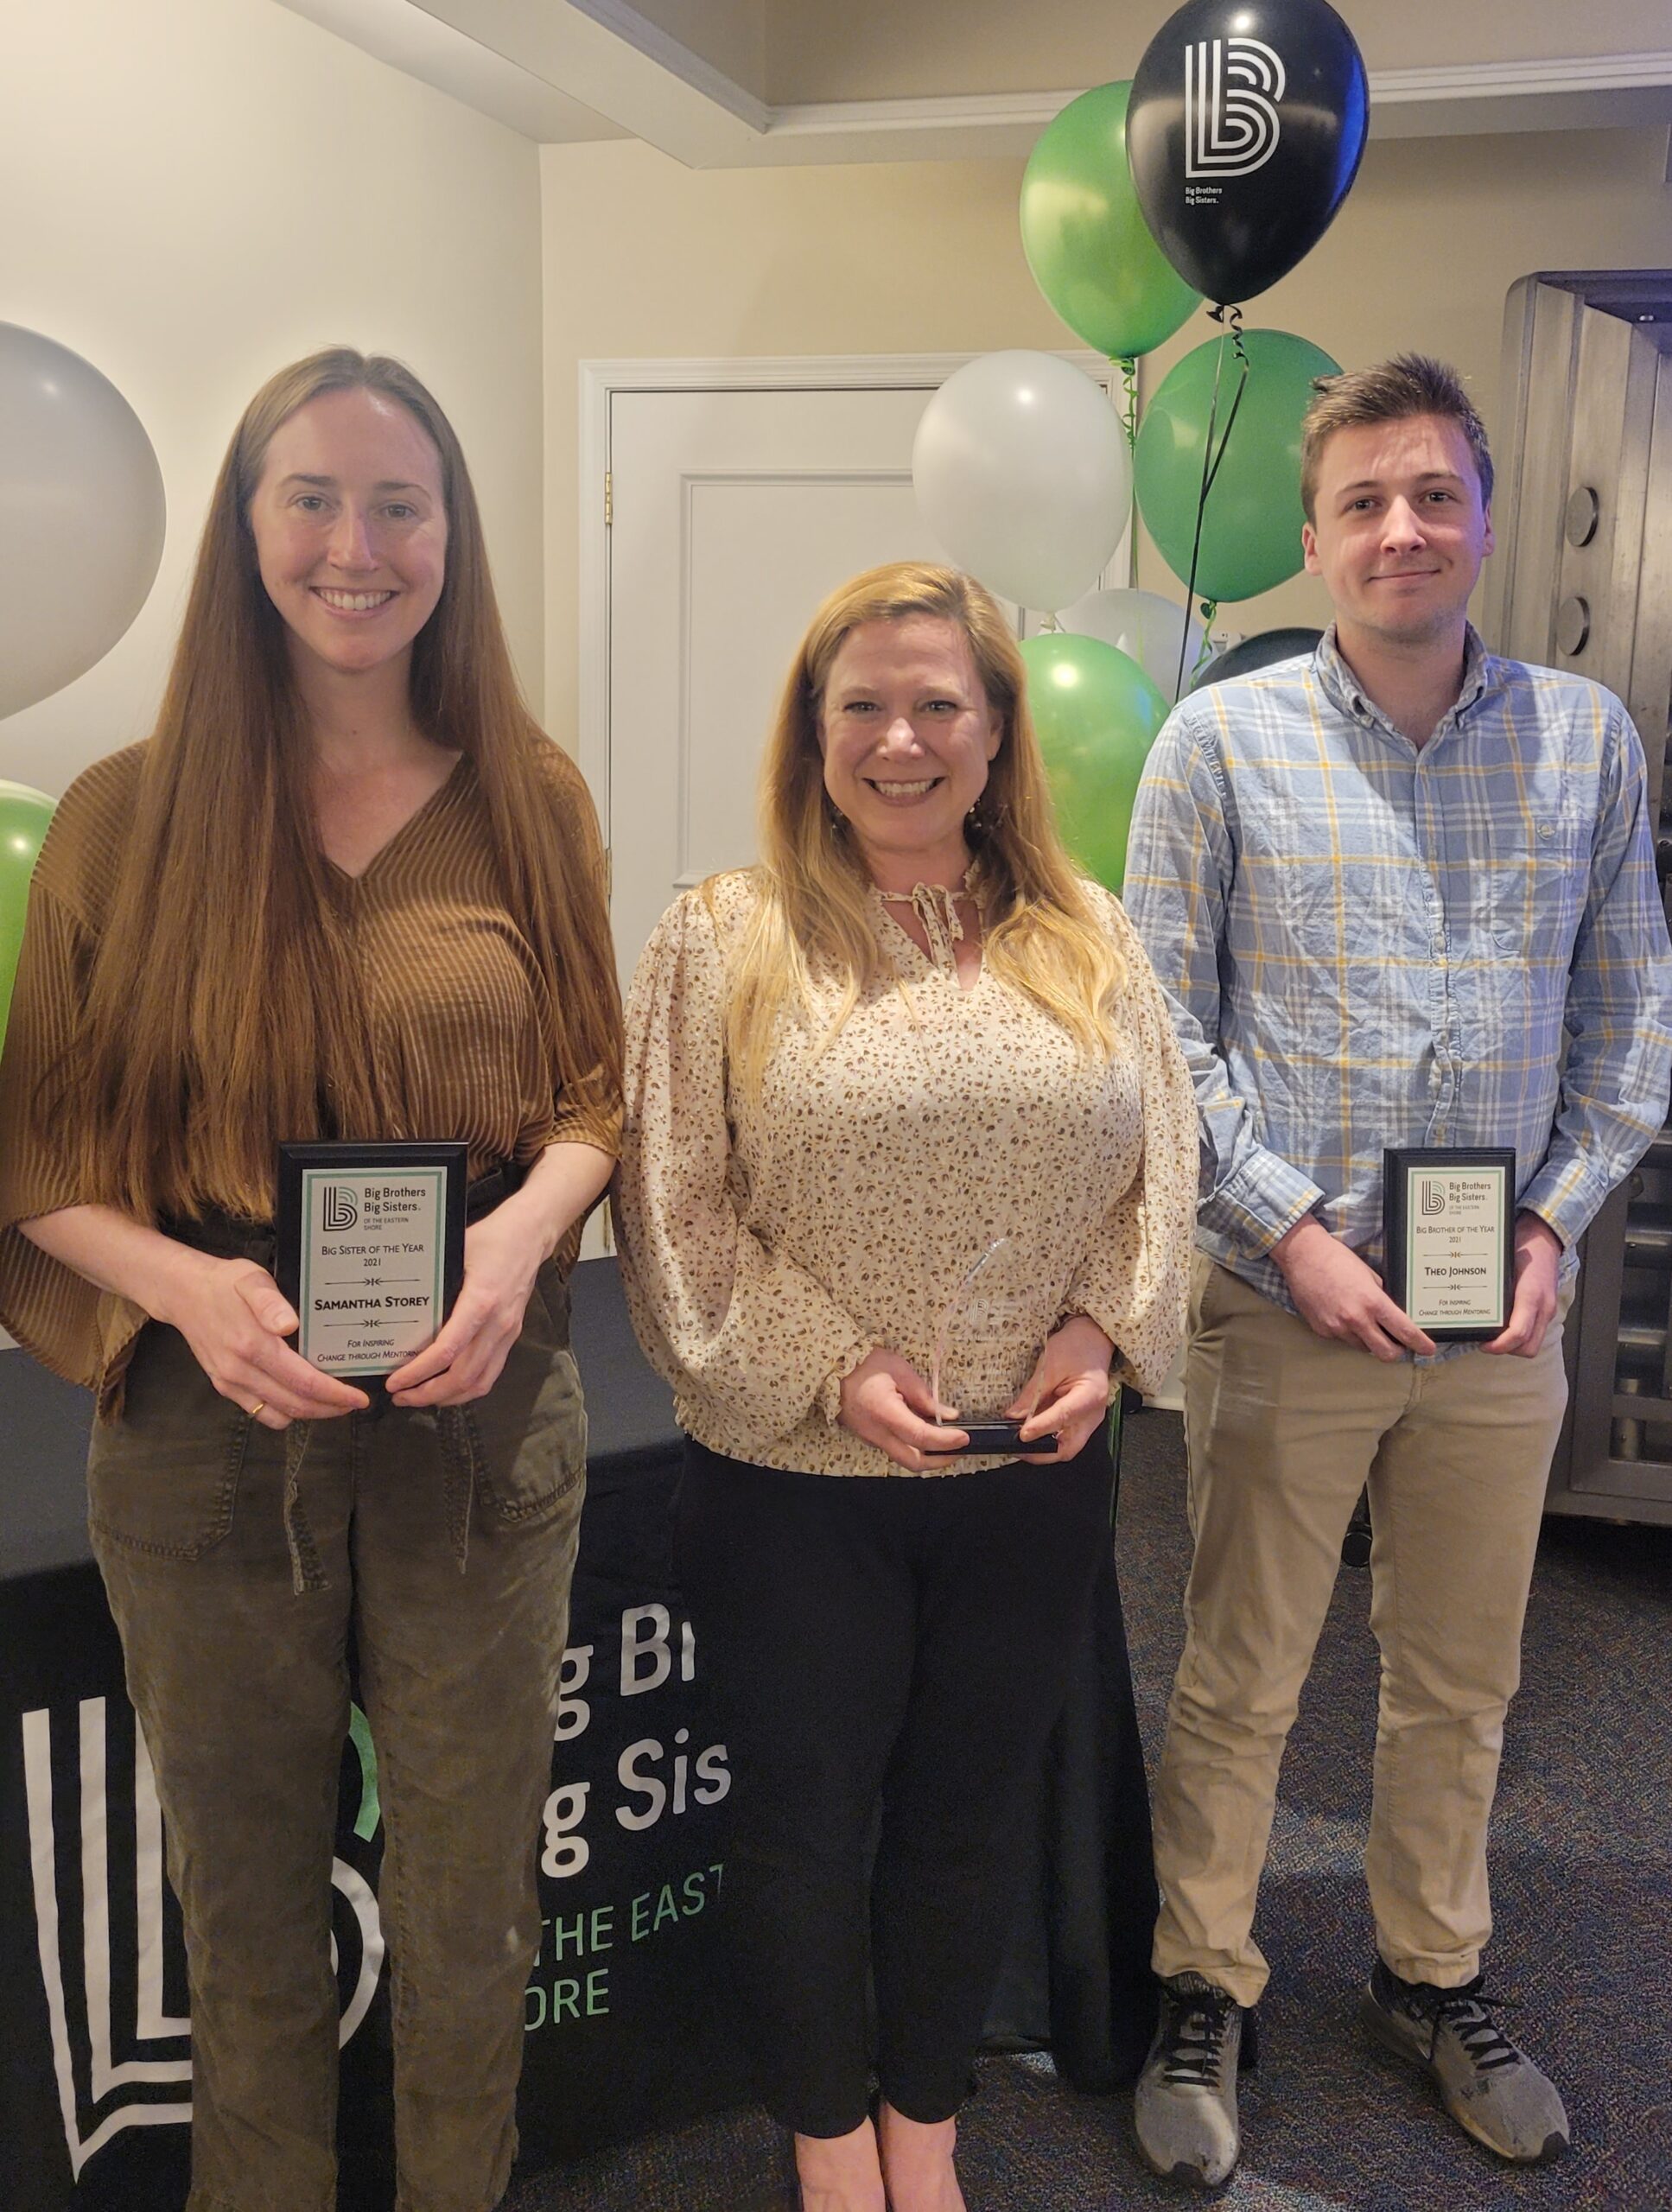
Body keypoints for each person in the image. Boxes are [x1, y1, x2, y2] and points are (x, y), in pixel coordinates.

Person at [0, 348, 622, 2212]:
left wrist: (519, 1239)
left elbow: (595, 1086)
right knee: (247, 1920)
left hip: (478, 1409)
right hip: (207, 1428)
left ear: (452, 536)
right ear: (244, 527)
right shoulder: (124, 817)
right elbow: (33, 1155)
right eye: (314, 497)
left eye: (400, 502)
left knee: (468, 1915)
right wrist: (188, 1293)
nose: (359, 545)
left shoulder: (529, 794)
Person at [1123, 353, 1672, 2187]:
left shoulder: (1581, 737)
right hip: (1288, 1299)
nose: (1398, 529)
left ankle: (1429, 1971)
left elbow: (1631, 1020)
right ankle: (1202, 1972)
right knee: (1242, 1668)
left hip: (1497, 1309)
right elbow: (1157, 1037)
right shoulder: (1216, 742)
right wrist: (1282, 1226)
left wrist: (1551, 1220)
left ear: (1483, 519)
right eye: (1360, 501)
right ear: (1310, 534)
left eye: (1432, 494)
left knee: (1458, 1670)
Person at [613, 560, 1197, 2212]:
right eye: (860, 703)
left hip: (1032, 1473)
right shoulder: (719, 934)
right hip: (797, 1486)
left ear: (1000, 729)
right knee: (802, 1830)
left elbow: (1163, 1165)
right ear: (811, 734)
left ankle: (923, 2136)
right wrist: (834, 1369)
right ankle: (826, 2148)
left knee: (966, 1814)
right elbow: (673, 1203)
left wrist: (1100, 1335)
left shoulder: (1087, 937)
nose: (900, 737)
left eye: (940, 702)